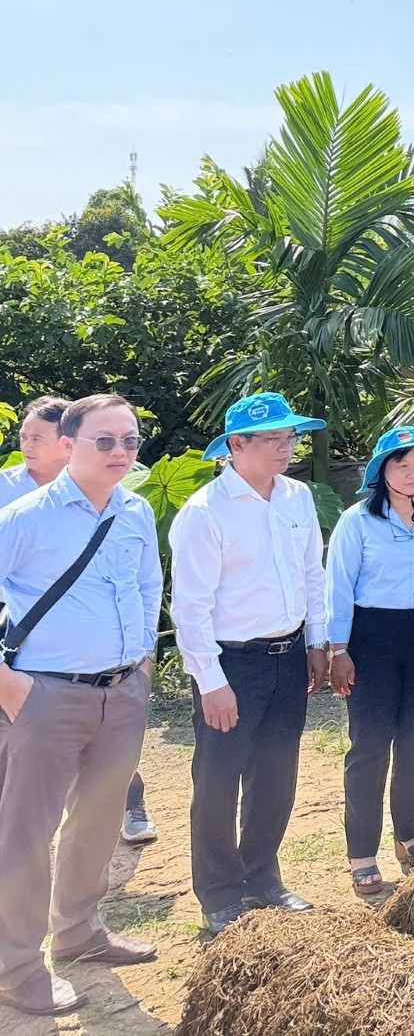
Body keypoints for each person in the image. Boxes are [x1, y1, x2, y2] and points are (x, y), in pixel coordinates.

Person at [0, 394, 160, 1016]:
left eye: (130, 440)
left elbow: (150, 584)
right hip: (45, 697)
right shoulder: (26, 517)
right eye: (106, 440)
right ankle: (16, 966)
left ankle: (78, 932)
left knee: (96, 821)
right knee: (26, 835)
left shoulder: (138, 512)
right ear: (68, 445)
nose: (121, 451)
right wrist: (8, 683)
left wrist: (143, 656)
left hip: (121, 693)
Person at [172, 392, 329, 935]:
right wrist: (210, 682)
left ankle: (263, 875)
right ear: (236, 445)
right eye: (272, 439)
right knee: (218, 778)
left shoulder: (297, 497)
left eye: (290, 438)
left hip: (288, 656)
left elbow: (313, 571)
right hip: (232, 662)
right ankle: (219, 892)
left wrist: (318, 641)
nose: (286, 448)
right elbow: (189, 607)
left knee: (276, 774)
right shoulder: (205, 512)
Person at [325, 427, 414, 896]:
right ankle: (362, 852)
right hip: (371, 636)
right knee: (370, 743)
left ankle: (410, 834)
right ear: (382, 471)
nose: (412, 473)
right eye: (401, 464)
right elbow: (338, 586)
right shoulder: (357, 521)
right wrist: (337, 650)